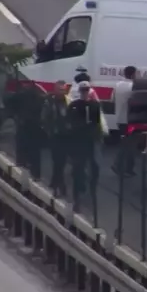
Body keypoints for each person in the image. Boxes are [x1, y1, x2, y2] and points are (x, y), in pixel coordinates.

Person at [67, 81, 102, 210]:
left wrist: (97, 136)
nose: (85, 93)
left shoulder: (94, 105)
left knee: (95, 165)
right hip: (79, 140)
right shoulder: (74, 105)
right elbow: (70, 121)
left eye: (87, 90)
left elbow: (97, 122)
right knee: (78, 166)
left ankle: (92, 188)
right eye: (83, 90)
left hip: (91, 140)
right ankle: (78, 193)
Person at [42, 80, 70, 196]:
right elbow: (45, 117)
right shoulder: (49, 101)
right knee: (57, 160)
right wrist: (49, 130)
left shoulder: (68, 102)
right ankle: (59, 184)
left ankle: (56, 182)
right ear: (55, 89)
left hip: (66, 136)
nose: (61, 92)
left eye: (63, 90)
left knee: (61, 161)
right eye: (59, 90)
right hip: (55, 135)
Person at [112, 66, 138, 176]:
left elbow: (111, 99)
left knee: (126, 143)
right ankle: (119, 165)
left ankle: (128, 168)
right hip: (130, 120)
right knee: (129, 145)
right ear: (133, 74)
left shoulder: (117, 85)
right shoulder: (133, 86)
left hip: (119, 119)